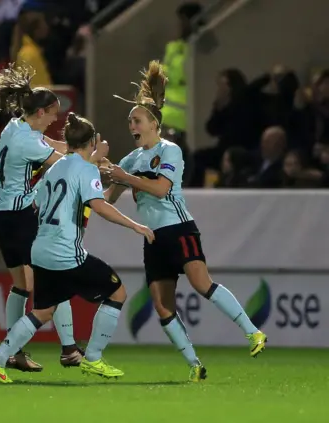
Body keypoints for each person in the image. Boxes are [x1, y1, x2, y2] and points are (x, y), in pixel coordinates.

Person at [101, 60, 268, 382]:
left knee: (200, 283)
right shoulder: (129, 161)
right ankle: (194, 365)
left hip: (179, 229)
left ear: (153, 123)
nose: (131, 126)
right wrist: (92, 178)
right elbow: (107, 198)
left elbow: (162, 190)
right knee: (162, 306)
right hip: (153, 237)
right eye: (129, 122)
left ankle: (252, 332)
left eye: (136, 120)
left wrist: (125, 178)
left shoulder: (170, 151)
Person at [0, 113, 155, 384]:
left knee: (42, 311)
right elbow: (100, 206)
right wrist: (136, 226)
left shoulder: (54, 167)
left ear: (67, 141)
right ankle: (94, 358)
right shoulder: (85, 169)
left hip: (41, 249)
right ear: (92, 141)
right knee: (117, 292)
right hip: (66, 253)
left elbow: (39, 203)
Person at [0, 63, 108, 371]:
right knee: (56, 273)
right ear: (40, 112)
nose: (56, 120)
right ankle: (68, 349)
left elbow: (53, 146)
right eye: (53, 114)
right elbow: (63, 163)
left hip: (0, 215)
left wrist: (78, 149)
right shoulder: (27, 141)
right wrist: (93, 157)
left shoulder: (16, 127)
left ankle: (15, 352)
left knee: (22, 284)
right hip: (19, 216)